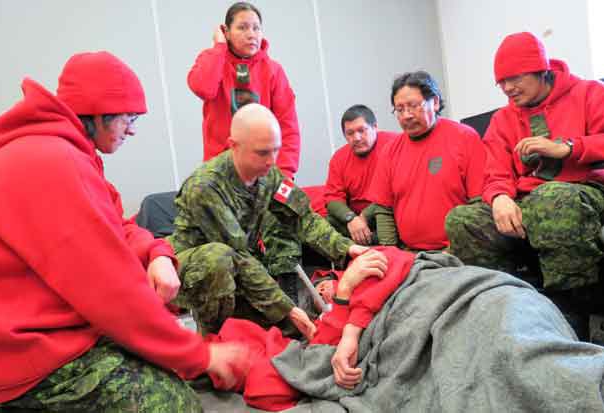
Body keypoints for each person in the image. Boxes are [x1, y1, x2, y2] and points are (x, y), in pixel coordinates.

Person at [0, 51, 247, 412]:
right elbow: (111, 290)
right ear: (97, 113)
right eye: (128, 117)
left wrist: (156, 253)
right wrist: (198, 355)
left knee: (162, 364)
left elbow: (118, 221)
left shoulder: (66, 153)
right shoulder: (55, 164)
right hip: (25, 358)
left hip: (51, 327)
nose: (132, 129)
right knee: (175, 404)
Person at [168, 103, 368, 340]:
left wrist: (348, 249)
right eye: (263, 152)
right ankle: (211, 342)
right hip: (195, 275)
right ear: (234, 146)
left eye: (276, 151)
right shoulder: (205, 187)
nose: (272, 160)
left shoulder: (268, 174)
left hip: (242, 265)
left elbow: (303, 218)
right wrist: (286, 307)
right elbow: (236, 255)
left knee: (290, 334)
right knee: (219, 260)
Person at [445, 32, 604, 314]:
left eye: (515, 78)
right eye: (501, 82)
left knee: (552, 198)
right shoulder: (502, 119)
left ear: (541, 70)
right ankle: (505, 308)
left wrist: (568, 148)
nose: (508, 88)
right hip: (526, 199)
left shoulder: (590, 93)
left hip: (585, 191)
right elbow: (494, 172)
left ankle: (574, 308)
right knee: (463, 219)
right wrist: (499, 198)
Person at [203, 246, 414, 411]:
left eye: (323, 285)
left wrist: (346, 295)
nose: (322, 292)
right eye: (319, 290)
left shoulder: (360, 270)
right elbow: (318, 357)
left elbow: (392, 257)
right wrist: (343, 295)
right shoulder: (333, 310)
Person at [368, 71, 486, 251]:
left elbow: (479, 205)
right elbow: (384, 209)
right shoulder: (390, 151)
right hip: (412, 254)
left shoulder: (464, 138)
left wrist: (459, 249)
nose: (406, 115)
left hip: (460, 250)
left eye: (414, 106)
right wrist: (391, 252)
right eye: (399, 110)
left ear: (435, 102)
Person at [187, 1, 300, 179]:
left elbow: (287, 126)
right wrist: (219, 47)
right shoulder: (212, 60)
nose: (251, 35)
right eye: (242, 27)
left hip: (264, 174)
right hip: (220, 173)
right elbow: (203, 88)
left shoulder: (273, 71)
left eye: (256, 28)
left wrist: (284, 175)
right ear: (227, 32)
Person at [324, 104, 397, 245]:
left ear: (375, 127)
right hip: (357, 222)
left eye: (362, 130)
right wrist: (351, 218)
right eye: (350, 133)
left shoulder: (394, 145)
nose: (356, 138)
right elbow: (332, 199)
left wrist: (364, 216)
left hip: (388, 214)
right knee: (327, 223)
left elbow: (400, 189)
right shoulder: (339, 158)